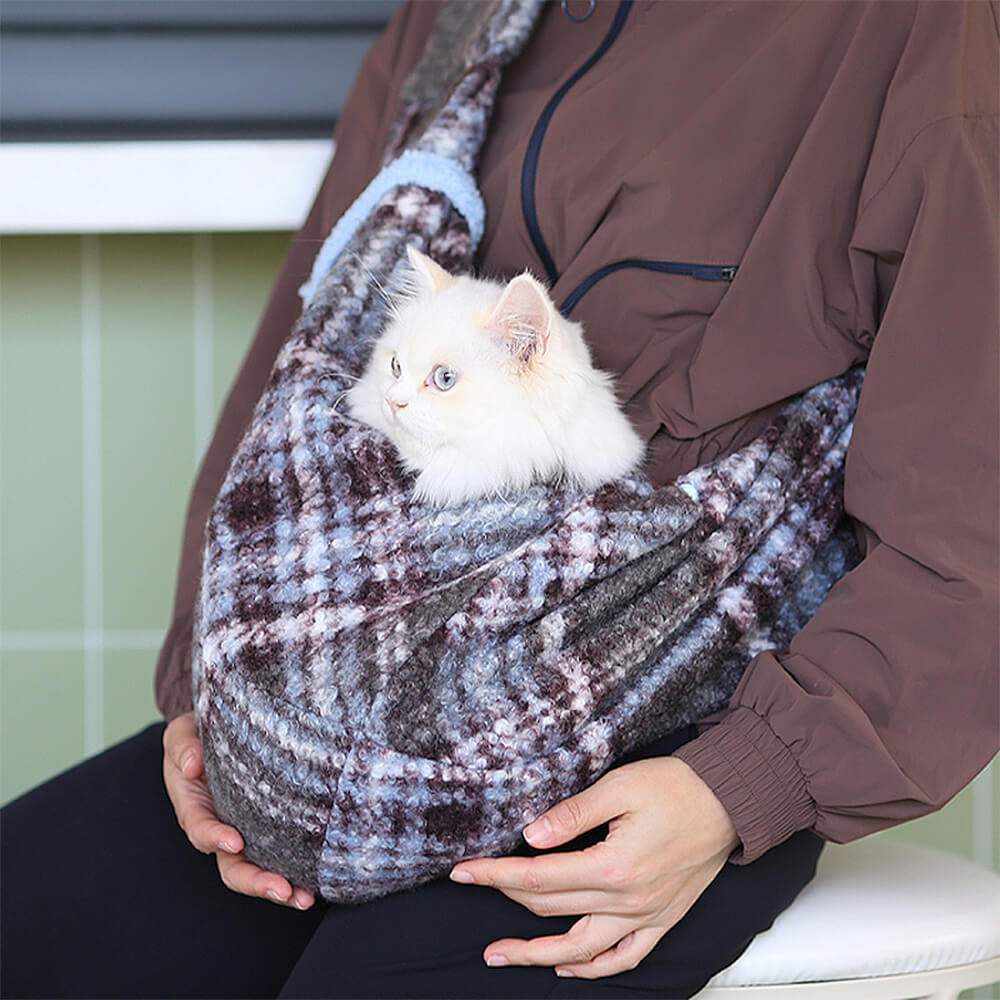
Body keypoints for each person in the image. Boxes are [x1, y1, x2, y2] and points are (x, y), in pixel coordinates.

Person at [3, 2, 997, 997]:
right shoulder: (465, 20)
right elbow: (303, 370)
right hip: (345, 671)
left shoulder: (924, 33)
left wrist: (746, 779)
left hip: (660, 724)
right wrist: (215, 684)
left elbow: (967, 511)